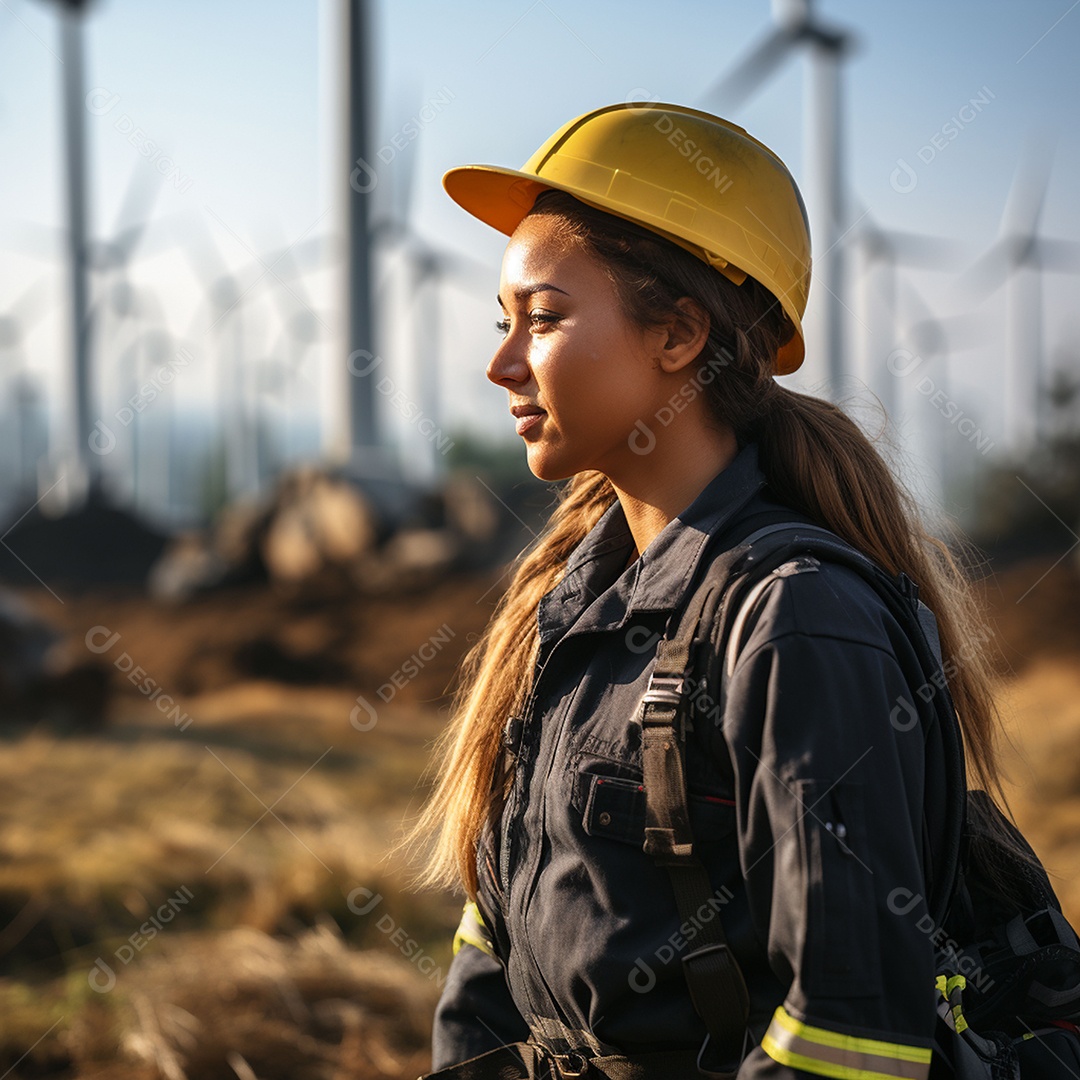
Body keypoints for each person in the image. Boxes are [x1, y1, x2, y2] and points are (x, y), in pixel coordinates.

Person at [400, 102, 1020, 1080]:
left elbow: (850, 1038)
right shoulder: (560, 603)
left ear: (679, 337)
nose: (501, 362)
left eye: (545, 317)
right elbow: (498, 937)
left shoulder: (799, 621)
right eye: (503, 321)